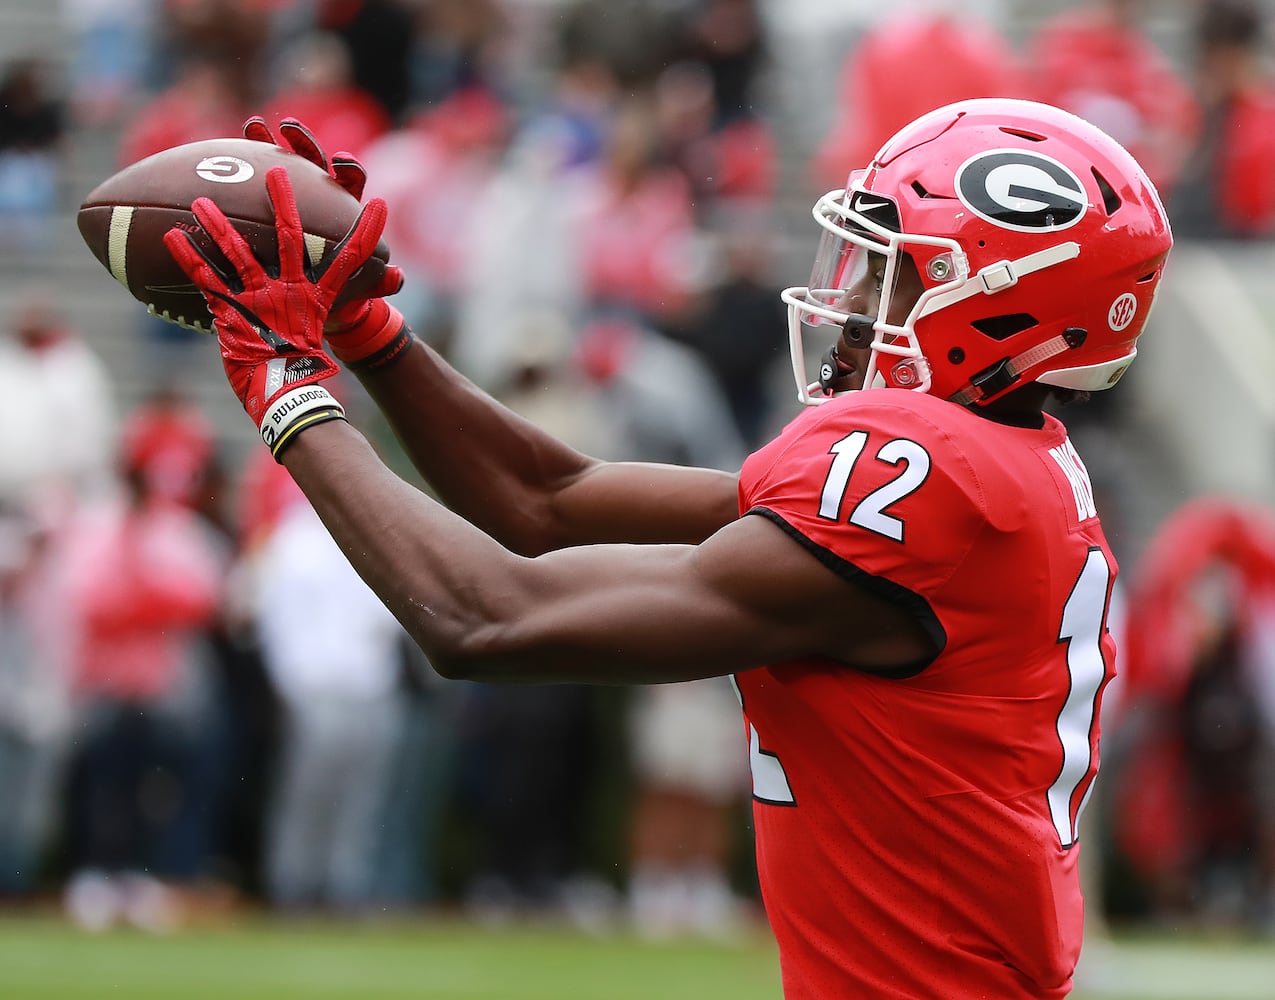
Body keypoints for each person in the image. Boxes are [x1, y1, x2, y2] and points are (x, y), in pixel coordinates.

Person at [162, 103, 1173, 997]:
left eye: (892, 274)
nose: (855, 302)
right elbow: (546, 498)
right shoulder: (1002, 469)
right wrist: (368, 328)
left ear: (998, 298)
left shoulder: (934, 476)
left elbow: (488, 617)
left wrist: (286, 384)